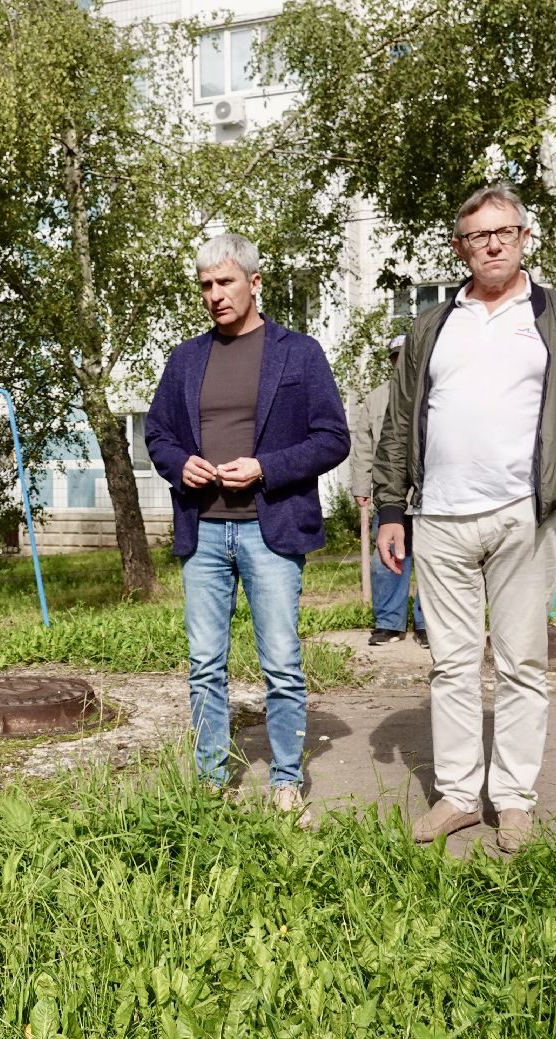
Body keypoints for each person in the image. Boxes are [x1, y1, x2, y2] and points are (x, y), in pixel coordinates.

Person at [372, 185, 556, 852]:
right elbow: (399, 422)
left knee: (520, 664)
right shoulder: (431, 325)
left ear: (524, 237)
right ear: (460, 247)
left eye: (504, 231)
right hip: (440, 519)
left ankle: (511, 799)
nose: (493, 243)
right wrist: (391, 506)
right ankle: (456, 796)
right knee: (449, 666)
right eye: (479, 235)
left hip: (520, 516)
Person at [146, 232, 349, 812]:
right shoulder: (185, 359)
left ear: (254, 283)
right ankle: (212, 780)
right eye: (205, 285)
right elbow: (158, 432)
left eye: (225, 282)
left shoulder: (299, 353)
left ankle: (285, 780)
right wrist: (177, 463)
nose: (214, 295)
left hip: (272, 529)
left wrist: (265, 467)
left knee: (281, 662)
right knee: (204, 663)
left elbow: (332, 438)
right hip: (202, 530)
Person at [348, 336, 427, 646]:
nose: (401, 362)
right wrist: (360, 486)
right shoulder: (377, 399)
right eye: (396, 357)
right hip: (389, 494)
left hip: (428, 496)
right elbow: (364, 447)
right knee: (389, 560)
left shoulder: (433, 393)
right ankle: (389, 622)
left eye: (406, 356)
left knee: (431, 561)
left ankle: (427, 623)